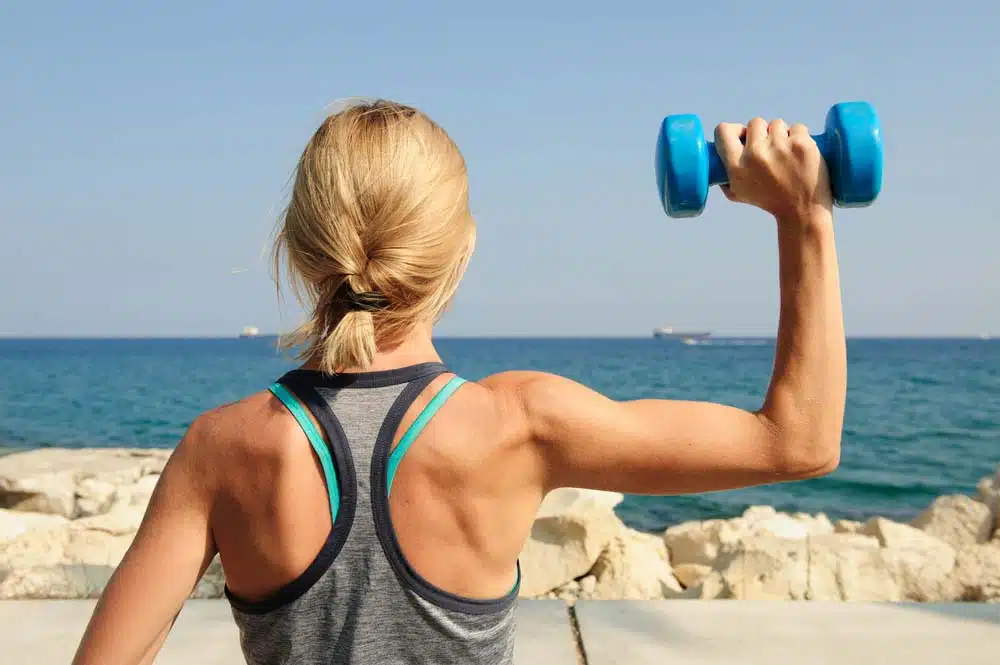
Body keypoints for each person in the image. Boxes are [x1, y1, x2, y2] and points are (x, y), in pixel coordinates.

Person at [71, 99, 846, 665]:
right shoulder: (520, 424)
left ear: (301, 248)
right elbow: (799, 442)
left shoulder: (221, 449)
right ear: (460, 253)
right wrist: (803, 217)